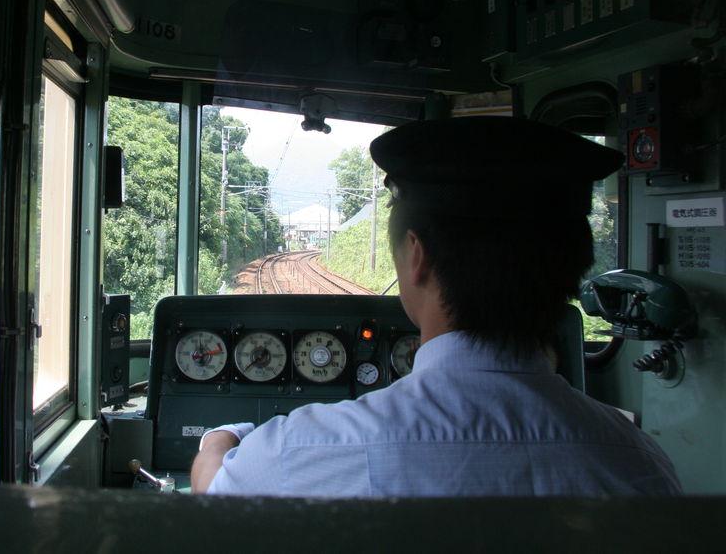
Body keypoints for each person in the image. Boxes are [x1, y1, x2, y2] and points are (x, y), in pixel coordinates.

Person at [190, 116, 681, 497]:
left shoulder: (300, 452)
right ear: (572, 272)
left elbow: (213, 492)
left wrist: (219, 438)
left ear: (418, 257)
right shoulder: (638, 463)